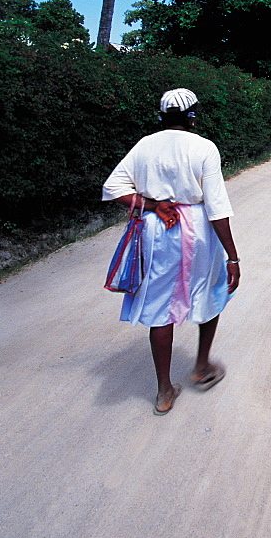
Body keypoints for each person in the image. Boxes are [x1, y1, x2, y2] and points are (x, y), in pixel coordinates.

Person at [103, 88, 240, 415]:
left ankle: (164, 391)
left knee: (159, 306)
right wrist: (232, 256)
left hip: (156, 231)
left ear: (162, 116)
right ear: (192, 116)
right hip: (197, 231)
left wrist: (152, 204)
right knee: (210, 290)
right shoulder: (204, 147)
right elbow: (217, 208)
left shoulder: (144, 145)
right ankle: (201, 366)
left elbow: (113, 188)